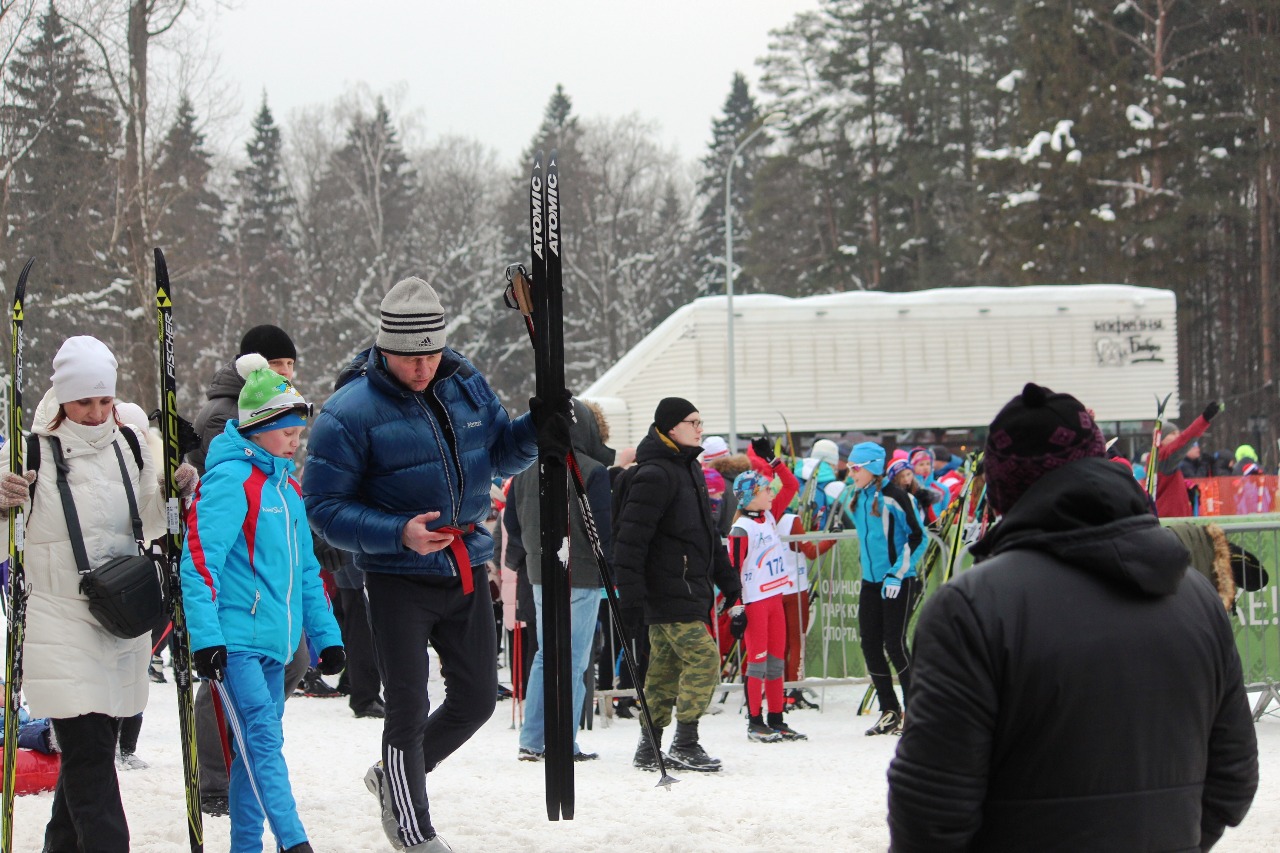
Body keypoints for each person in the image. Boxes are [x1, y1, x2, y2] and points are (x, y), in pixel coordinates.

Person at [887, 382, 1259, 851]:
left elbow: (928, 817)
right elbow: (1233, 782)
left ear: (1001, 491)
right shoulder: (1198, 596)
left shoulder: (971, 609)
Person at [303, 276, 540, 853]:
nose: (423, 366)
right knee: (407, 705)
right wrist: (397, 533)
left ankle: (394, 778)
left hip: (464, 566)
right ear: (385, 348)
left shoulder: (466, 384)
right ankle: (413, 831)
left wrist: (539, 429)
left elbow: (500, 454)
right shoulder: (347, 411)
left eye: (431, 353)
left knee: (479, 699)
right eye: (410, 357)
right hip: (394, 580)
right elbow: (322, 507)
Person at [0, 336, 191, 852]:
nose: (96, 412)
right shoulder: (30, 451)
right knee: (89, 762)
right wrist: (1, 504)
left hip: (119, 621)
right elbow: (4, 544)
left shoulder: (129, 444)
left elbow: (149, 524)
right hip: (60, 626)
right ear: (61, 397)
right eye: (84, 401)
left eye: (104, 400)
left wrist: (175, 493)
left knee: (92, 760)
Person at [180, 354, 343, 853]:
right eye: (289, 432)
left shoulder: (288, 491)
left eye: (299, 432)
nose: (297, 442)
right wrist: (207, 639)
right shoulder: (232, 480)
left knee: (256, 752)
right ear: (259, 427)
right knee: (262, 744)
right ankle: (295, 841)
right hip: (236, 642)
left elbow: (307, 575)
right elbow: (200, 563)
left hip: (275, 643)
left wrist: (326, 638)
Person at [187, 323, 314, 815]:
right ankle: (220, 773)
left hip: (267, 581)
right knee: (224, 685)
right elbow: (224, 489)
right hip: (238, 580)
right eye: (278, 365)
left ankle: (245, 764)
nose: (286, 374)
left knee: (289, 664)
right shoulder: (230, 414)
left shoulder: (276, 413)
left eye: (290, 367)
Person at [612, 397, 742, 772]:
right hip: (666, 591)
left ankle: (648, 746)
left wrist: (729, 583)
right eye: (693, 422)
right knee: (704, 660)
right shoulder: (654, 474)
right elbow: (630, 541)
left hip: (687, 589)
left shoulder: (690, 469)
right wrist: (631, 598)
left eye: (701, 421)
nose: (700, 428)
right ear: (671, 427)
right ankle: (686, 741)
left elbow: (706, 535)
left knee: (664, 672)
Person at [505, 398, 611, 762]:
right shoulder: (590, 470)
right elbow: (603, 531)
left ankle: (533, 738)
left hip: (539, 570)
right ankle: (562, 741)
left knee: (545, 655)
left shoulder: (524, 470)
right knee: (574, 660)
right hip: (580, 571)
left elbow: (512, 526)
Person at [842, 441, 923, 736]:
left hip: (898, 580)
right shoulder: (858, 497)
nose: (851, 473)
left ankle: (916, 711)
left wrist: (896, 573)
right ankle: (890, 710)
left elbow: (918, 537)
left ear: (873, 467)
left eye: (856, 468)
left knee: (895, 643)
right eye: (850, 467)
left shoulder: (896, 497)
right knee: (870, 643)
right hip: (871, 582)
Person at [727, 448, 806, 743]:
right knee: (757, 663)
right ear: (750, 496)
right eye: (764, 491)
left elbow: (791, 486)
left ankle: (776, 718)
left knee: (775, 662)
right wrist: (737, 609)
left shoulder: (769, 517)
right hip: (756, 603)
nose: (771, 494)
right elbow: (732, 571)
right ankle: (755, 721)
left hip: (775, 599)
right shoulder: (741, 528)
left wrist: (773, 460)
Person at [1154, 401, 1223, 517]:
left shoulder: (1161, 458)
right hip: (1170, 520)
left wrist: (1185, 486)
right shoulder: (1163, 457)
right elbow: (1184, 440)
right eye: (1173, 434)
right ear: (1161, 439)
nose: (1177, 436)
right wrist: (1204, 419)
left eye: (1178, 433)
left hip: (1171, 517)